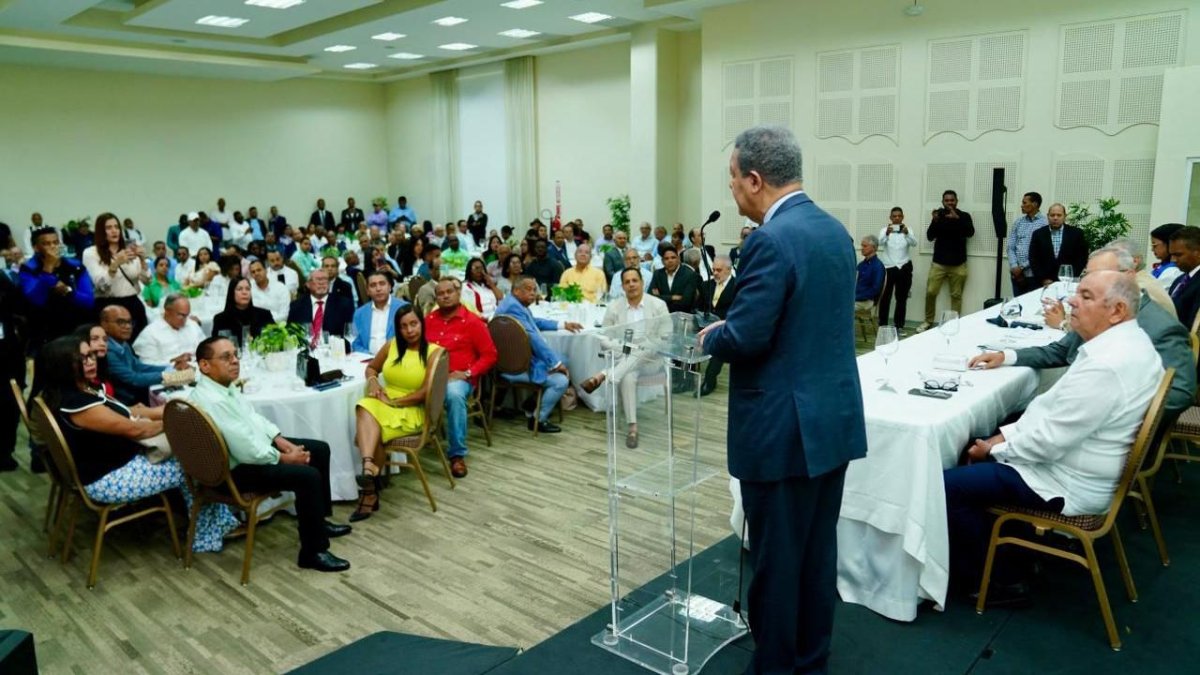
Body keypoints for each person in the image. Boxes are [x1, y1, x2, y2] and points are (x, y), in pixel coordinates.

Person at [697, 125, 867, 674]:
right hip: (830, 421)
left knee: (775, 562)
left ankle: (773, 667)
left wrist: (712, 337)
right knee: (817, 556)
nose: (731, 191)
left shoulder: (770, 240)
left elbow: (747, 336)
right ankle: (810, 660)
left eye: (731, 179)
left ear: (753, 179)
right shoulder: (833, 230)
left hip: (780, 428)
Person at [946, 272, 1162, 601]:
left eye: (1086, 296)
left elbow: (1047, 441)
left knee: (949, 487)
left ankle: (997, 581)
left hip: (1068, 480)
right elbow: (1050, 413)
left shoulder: (1107, 364)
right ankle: (1012, 554)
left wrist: (992, 450)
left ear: (1117, 310)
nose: (1071, 301)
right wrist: (998, 439)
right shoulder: (1132, 343)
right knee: (993, 432)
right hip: (1086, 465)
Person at [43, 336, 237, 552]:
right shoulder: (78, 404)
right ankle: (207, 535)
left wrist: (165, 411)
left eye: (90, 355)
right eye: (81, 358)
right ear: (61, 366)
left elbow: (127, 413)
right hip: (107, 479)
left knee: (190, 453)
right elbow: (136, 429)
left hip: (107, 466)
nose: (91, 361)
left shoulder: (74, 392)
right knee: (196, 464)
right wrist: (178, 419)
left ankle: (217, 522)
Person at [971, 246, 1194, 421]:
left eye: (1099, 276)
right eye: (1087, 275)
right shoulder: (1096, 312)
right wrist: (1006, 356)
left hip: (1111, 437)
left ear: (1128, 276)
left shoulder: (1160, 327)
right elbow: (1060, 351)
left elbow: (1180, 393)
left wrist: (1111, 411)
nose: (1087, 283)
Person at [191, 337, 352, 572]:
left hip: (245, 455)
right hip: (233, 471)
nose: (235, 361)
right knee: (307, 476)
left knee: (318, 449)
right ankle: (312, 551)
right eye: (226, 357)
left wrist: (281, 441)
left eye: (235, 355)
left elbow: (253, 419)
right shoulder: (212, 400)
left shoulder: (224, 387)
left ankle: (318, 521)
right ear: (204, 365)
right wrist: (284, 457)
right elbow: (245, 447)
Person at [350, 304, 440, 521]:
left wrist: (396, 402)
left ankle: (369, 492)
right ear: (397, 329)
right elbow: (372, 368)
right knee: (364, 405)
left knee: (374, 423)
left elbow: (426, 392)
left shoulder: (434, 352)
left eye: (414, 324)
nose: (409, 330)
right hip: (385, 401)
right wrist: (373, 382)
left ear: (422, 324)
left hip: (411, 409)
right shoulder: (391, 346)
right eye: (403, 326)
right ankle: (369, 468)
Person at [578, 267, 669, 447]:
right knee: (627, 375)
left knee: (644, 348)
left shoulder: (658, 305)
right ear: (622, 286)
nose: (631, 285)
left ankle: (604, 375)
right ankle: (633, 428)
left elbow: (665, 338)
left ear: (642, 282)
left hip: (652, 360)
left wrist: (643, 347)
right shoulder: (614, 307)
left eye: (635, 280)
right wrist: (628, 347)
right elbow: (604, 337)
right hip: (624, 355)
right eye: (627, 282)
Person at [424, 279, 497, 478]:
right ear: (436, 297)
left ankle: (456, 454)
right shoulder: (428, 321)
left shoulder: (472, 322)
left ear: (458, 294)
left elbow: (490, 355)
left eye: (450, 292)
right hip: (430, 376)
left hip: (460, 378)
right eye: (441, 293)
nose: (445, 296)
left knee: (454, 395)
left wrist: (467, 373)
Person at [495, 277, 583, 434]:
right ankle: (538, 419)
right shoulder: (513, 308)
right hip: (514, 367)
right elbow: (533, 338)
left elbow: (533, 322)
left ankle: (532, 402)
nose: (533, 293)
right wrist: (555, 364)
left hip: (513, 360)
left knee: (566, 359)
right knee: (561, 380)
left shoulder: (513, 303)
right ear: (516, 291)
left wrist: (562, 324)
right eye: (528, 289)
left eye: (534, 289)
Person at [19, 226, 94, 349]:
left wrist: (68, 292)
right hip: (45, 330)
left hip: (75, 326)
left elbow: (89, 301)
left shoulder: (75, 265)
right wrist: (48, 267)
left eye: (55, 242)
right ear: (36, 248)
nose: (53, 247)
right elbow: (36, 300)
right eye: (46, 244)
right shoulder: (29, 268)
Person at [83, 212, 150, 339]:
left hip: (133, 304)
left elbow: (147, 281)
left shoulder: (129, 249)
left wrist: (142, 260)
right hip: (109, 305)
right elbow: (101, 285)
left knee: (139, 344)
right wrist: (115, 263)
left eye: (116, 227)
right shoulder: (91, 253)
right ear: (101, 231)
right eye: (109, 228)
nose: (114, 231)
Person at [919, 190, 975, 332]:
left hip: (958, 264)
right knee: (931, 292)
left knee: (956, 295)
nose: (950, 203)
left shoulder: (964, 216)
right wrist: (935, 221)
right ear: (943, 202)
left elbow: (970, 233)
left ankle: (953, 323)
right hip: (939, 263)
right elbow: (930, 236)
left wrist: (957, 219)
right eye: (947, 201)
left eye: (952, 200)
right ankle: (927, 321)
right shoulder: (939, 215)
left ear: (957, 201)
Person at [697, 255, 737, 397]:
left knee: (719, 345)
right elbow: (698, 307)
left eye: (718, 270)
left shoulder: (737, 286)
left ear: (728, 269)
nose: (715, 273)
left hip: (726, 326)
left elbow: (736, 311)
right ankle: (686, 379)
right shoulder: (706, 285)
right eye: (713, 269)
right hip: (704, 325)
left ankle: (709, 380)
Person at [0, 269, 26, 471]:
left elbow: (18, 303)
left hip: (8, 352)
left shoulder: (2, 277)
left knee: (10, 404)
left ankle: (4, 452)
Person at [133, 294, 205, 367]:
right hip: (168, 374)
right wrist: (173, 362)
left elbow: (206, 349)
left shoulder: (192, 326)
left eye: (186, 315)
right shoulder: (150, 333)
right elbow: (146, 365)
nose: (185, 320)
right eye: (181, 315)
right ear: (167, 311)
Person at [288, 269, 354, 347]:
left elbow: (349, 334)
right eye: (318, 279)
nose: (322, 283)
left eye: (325, 279)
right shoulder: (297, 306)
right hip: (306, 353)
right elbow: (291, 334)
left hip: (334, 352)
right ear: (308, 284)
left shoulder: (343, 304)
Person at [1028, 203, 1088, 287]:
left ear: (1065, 216)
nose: (1055, 218)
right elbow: (1033, 259)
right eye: (1052, 215)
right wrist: (1043, 279)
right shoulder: (1038, 234)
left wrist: (1070, 276)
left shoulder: (1076, 233)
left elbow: (1082, 258)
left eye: (1059, 215)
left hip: (1068, 281)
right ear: (1048, 216)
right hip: (1044, 283)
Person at [877, 207, 916, 332]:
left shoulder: (908, 230)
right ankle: (882, 325)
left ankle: (899, 326)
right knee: (885, 297)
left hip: (904, 267)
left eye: (899, 216)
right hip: (888, 267)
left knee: (901, 298)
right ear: (891, 217)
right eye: (894, 216)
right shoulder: (884, 230)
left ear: (903, 217)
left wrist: (907, 234)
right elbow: (880, 243)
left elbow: (914, 243)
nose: (897, 218)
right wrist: (887, 234)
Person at [351, 270, 407, 354]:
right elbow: (355, 342)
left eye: (382, 284)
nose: (378, 289)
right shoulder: (360, 313)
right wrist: (371, 358)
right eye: (373, 285)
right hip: (367, 360)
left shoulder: (404, 308)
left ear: (390, 287)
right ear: (367, 291)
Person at [211, 278, 274, 349]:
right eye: (239, 289)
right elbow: (217, 347)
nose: (244, 292)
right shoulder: (220, 319)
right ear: (232, 293)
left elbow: (275, 339)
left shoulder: (264, 314)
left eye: (248, 289)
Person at [1007, 191, 1048, 296]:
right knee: (1018, 307)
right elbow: (1010, 247)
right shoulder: (1018, 222)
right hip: (1017, 275)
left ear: (1035, 204)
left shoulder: (1045, 223)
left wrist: (1022, 267)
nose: (1022, 205)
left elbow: (1042, 251)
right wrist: (1014, 266)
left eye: (1025, 203)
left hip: (1034, 275)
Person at [649, 244, 699, 314]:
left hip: (682, 317)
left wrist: (661, 297)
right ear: (662, 261)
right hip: (661, 316)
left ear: (678, 259)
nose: (670, 261)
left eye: (673, 258)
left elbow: (686, 303)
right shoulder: (658, 274)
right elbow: (651, 298)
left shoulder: (690, 275)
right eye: (666, 258)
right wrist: (672, 297)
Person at [1168, 226, 1200, 330]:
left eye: (1178, 255)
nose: (1173, 260)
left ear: (1198, 253)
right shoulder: (1179, 280)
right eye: (1172, 255)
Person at [854, 235, 885, 337]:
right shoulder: (861, 265)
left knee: (841, 306)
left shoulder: (878, 266)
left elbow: (875, 290)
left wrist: (854, 297)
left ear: (873, 247)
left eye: (865, 246)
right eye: (862, 246)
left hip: (867, 301)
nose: (862, 248)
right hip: (858, 298)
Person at [1150, 223, 1184, 291]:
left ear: (1170, 244)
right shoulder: (1162, 266)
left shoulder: (1173, 271)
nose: (1152, 249)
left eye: (1155, 245)